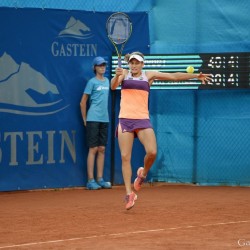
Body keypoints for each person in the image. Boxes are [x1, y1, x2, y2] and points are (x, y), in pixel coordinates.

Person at [111, 51, 212, 209]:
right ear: (129, 64)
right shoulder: (123, 73)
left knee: (152, 152)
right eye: (132, 62)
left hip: (142, 120)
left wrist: (194, 76)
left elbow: (173, 76)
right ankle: (129, 193)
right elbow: (113, 86)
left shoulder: (149, 75)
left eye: (137, 62)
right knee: (125, 157)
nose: (134, 65)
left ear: (142, 64)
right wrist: (117, 76)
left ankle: (142, 174)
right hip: (125, 119)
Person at [80, 56, 111, 190]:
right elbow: (82, 102)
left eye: (104, 65)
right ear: (94, 68)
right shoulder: (91, 82)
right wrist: (85, 119)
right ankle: (90, 180)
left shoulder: (108, 81)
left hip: (105, 119)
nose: (102, 67)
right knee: (93, 149)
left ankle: (100, 179)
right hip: (93, 119)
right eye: (100, 65)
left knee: (102, 149)